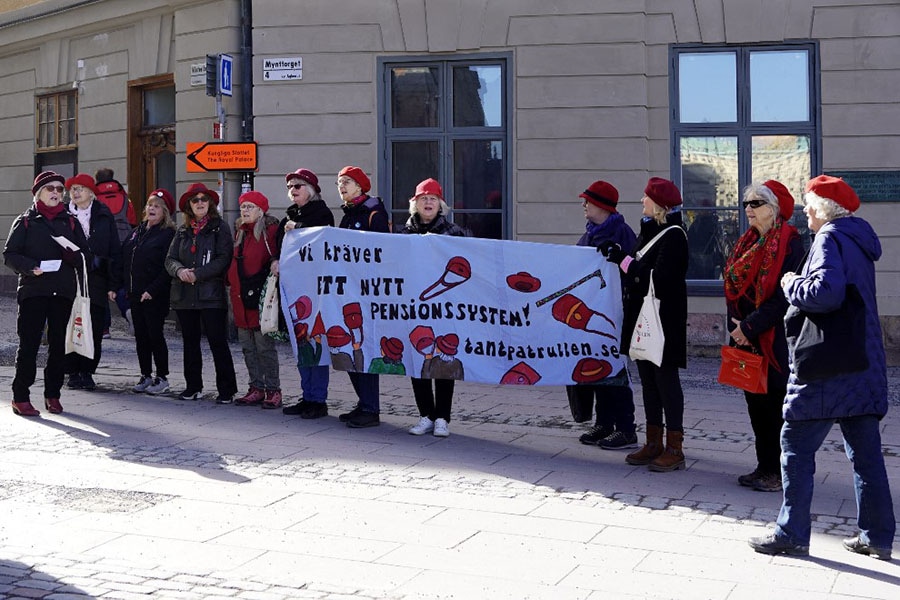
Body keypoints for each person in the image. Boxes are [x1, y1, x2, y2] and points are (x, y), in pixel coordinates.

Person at [749, 175, 895, 560]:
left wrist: (791, 282)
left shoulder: (829, 237)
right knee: (866, 455)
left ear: (823, 209)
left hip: (827, 368)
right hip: (861, 362)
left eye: (809, 204)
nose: (805, 210)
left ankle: (791, 532)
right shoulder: (859, 238)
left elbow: (824, 293)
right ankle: (876, 536)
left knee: (794, 446)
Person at [601, 177, 689, 471]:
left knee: (666, 382)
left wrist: (624, 262)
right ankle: (653, 441)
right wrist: (621, 258)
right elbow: (638, 268)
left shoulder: (674, 235)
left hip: (663, 321)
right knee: (649, 382)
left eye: (646, 197)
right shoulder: (651, 231)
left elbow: (659, 278)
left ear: (659, 204)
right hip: (644, 318)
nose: (642, 201)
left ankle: (674, 447)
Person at [723, 181, 803, 492]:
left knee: (774, 408)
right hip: (745, 336)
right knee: (756, 406)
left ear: (773, 208)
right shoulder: (748, 241)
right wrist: (738, 326)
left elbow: (783, 298)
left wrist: (749, 326)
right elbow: (733, 285)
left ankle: (779, 472)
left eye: (755, 203)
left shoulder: (791, 244)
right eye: (746, 203)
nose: (748, 209)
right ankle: (764, 466)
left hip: (773, 340)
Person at [4, 171, 89, 416]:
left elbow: (86, 255)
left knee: (58, 346)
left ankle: (53, 395)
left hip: (62, 291)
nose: (55, 193)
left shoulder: (71, 221)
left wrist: (75, 256)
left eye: (59, 189)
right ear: (38, 192)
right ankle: (20, 397)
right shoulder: (26, 221)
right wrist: (30, 267)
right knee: (29, 345)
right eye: (50, 188)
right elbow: (10, 254)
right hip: (34, 290)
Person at [569, 180, 638, 450]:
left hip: (615, 314)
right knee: (596, 369)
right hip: (591, 313)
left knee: (616, 372)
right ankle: (604, 423)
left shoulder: (622, 233)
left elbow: (634, 271)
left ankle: (626, 428)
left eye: (588, 201)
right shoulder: (590, 234)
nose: (584, 206)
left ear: (602, 206)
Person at [398, 178, 469, 438]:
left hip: (445, 309)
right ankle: (425, 414)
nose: (428, 202)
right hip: (414, 307)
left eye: (432, 198)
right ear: (414, 204)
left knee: (444, 360)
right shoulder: (403, 233)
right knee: (419, 358)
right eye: (423, 198)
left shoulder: (454, 233)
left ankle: (443, 418)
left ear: (441, 205)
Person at [165, 182, 238, 403]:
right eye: (195, 200)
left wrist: (199, 274)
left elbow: (224, 258)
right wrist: (180, 271)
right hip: (185, 295)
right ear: (189, 205)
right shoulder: (182, 230)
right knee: (190, 342)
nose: (199, 203)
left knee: (217, 342)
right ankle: (192, 386)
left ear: (210, 204)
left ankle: (226, 389)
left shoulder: (219, 227)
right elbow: (170, 259)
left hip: (211, 295)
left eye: (203, 200)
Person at [277, 169, 336, 419]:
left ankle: (318, 400)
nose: (293, 190)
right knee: (301, 344)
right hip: (295, 287)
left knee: (317, 343)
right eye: (290, 187)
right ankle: (307, 395)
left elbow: (323, 240)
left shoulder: (322, 212)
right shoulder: (288, 215)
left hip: (316, 288)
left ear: (310, 189)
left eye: (298, 186)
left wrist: (299, 227)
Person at [335, 166, 390, 428]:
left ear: (360, 186)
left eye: (347, 182)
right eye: (339, 183)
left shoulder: (374, 214)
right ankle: (363, 402)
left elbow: (380, 251)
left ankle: (371, 408)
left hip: (368, 292)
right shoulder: (347, 214)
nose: (342, 186)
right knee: (350, 346)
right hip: (348, 290)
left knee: (364, 347)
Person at [64, 173, 122, 391]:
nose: (75, 192)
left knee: (94, 326)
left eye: (80, 188)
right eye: (72, 189)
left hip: (97, 278)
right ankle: (71, 370)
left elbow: (114, 249)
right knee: (71, 325)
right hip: (69, 278)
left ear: (91, 193)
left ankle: (87, 371)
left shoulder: (104, 215)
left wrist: (114, 284)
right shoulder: (64, 215)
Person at [228, 191, 282, 409]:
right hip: (240, 299)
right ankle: (256, 387)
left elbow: (277, 255)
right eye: (243, 207)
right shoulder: (240, 233)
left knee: (264, 347)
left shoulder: (269, 232)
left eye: (250, 207)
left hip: (260, 300)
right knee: (248, 347)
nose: (245, 211)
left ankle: (273, 389)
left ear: (261, 210)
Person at [121, 189, 176, 395]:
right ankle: (145, 375)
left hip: (154, 294)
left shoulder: (168, 234)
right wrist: (121, 285)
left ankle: (162, 377)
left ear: (165, 212)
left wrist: (152, 290)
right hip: (135, 293)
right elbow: (125, 258)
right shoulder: (137, 231)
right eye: (150, 205)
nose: (152, 209)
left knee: (155, 335)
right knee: (141, 337)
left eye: (157, 207)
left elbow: (166, 267)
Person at [94, 167, 136, 335]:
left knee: (101, 283)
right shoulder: (124, 197)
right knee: (120, 280)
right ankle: (127, 310)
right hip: (125, 241)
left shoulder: (94, 198)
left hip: (104, 243)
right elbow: (132, 220)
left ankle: (104, 328)